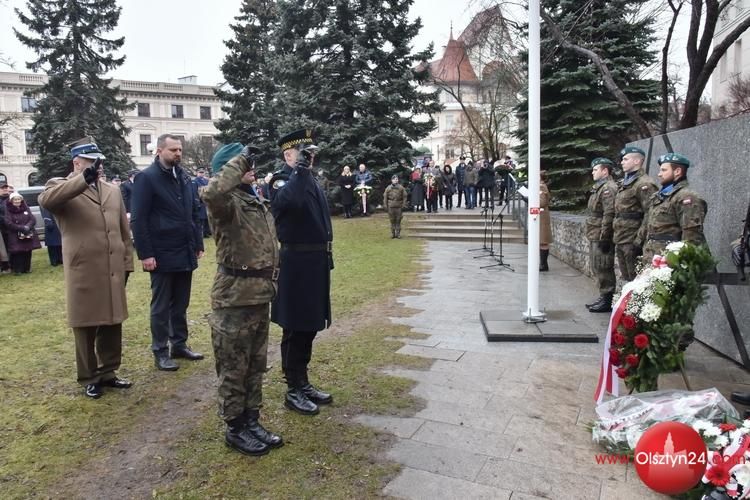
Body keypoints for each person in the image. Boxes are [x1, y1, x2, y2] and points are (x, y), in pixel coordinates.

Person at [201, 142, 283, 456]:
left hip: (259, 295)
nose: (251, 167)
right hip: (234, 298)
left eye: (249, 162)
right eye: (243, 163)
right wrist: (238, 161)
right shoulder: (225, 202)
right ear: (229, 168)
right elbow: (213, 192)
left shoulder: (252, 199)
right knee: (234, 367)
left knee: (255, 365)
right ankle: (235, 427)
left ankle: (252, 419)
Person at [38, 139, 134, 399]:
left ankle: (108, 372)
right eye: (91, 161)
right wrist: (83, 179)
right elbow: (47, 200)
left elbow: (123, 232)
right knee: (85, 325)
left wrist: (127, 263)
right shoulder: (60, 186)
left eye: (98, 161)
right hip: (84, 269)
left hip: (113, 267)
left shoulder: (112, 191)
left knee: (112, 321)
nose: (98, 166)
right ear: (77, 162)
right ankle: (89, 377)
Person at [270, 129, 334, 416]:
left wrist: (305, 172)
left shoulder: (309, 178)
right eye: (304, 153)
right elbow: (288, 203)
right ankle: (293, 387)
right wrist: (299, 172)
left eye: (312, 153)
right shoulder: (281, 179)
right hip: (295, 263)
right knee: (295, 326)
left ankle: (303, 381)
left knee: (309, 324)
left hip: (316, 261)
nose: (310, 157)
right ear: (288, 155)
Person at [130, 133, 205, 371]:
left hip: (184, 250)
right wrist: (145, 254)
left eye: (180, 150)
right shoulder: (147, 178)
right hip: (161, 252)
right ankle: (160, 350)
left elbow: (193, 212)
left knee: (181, 303)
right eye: (173, 150)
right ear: (159, 151)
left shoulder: (183, 176)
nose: (178, 154)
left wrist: (198, 243)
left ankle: (179, 344)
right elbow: (139, 219)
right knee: (161, 306)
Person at [641, 153, 707, 261]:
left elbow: (691, 235)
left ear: (677, 172)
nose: (659, 174)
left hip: (670, 260)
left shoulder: (686, 197)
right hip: (652, 257)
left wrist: (681, 261)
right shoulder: (659, 196)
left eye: (664, 170)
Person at [614, 146, 658, 282]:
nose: (622, 162)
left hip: (633, 239)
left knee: (636, 280)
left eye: (625, 159)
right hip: (621, 237)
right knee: (627, 278)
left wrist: (639, 239)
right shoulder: (626, 182)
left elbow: (650, 213)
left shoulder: (644, 184)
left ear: (637, 161)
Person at [584, 158, 617, 313]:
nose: (593, 172)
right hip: (595, 232)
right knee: (597, 266)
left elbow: (608, 214)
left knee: (603, 266)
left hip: (601, 234)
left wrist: (605, 236)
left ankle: (607, 299)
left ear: (605, 171)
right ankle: (603, 295)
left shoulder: (608, 188)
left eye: (595, 169)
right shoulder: (600, 187)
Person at [4, 192, 41, 274]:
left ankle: (27, 268)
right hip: (15, 234)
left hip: (27, 232)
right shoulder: (8, 210)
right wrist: (21, 228)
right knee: (18, 252)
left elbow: (32, 219)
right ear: (11, 201)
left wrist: (28, 226)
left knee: (28, 251)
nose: (17, 201)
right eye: (15, 200)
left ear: (21, 200)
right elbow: (8, 222)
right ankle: (18, 270)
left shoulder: (26, 208)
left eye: (18, 199)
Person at [539, 170, 553, 271]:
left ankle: (544, 264)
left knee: (543, 240)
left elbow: (542, 202)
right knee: (541, 240)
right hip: (541, 216)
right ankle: (542, 263)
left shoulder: (541, 186)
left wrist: (529, 199)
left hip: (542, 216)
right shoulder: (540, 185)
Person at [193, 168, 210, 238]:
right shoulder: (195, 181)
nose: (201, 174)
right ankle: (201, 233)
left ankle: (207, 232)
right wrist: (197, 202)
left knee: (207, 219)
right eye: (200, 172)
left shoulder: (206, 180)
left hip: (207, 202)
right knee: (201, 219)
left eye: (202, 172)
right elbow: (195, 192)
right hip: (200, 202)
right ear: (197, 173)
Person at [0, 183, 11, 272]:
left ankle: (12, 264)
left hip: (12, 227)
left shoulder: (11, 199)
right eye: (2, 188)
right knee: (3, 249)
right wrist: (6, 220)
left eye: (6, 188)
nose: (5, 190)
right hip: (2, 228)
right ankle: (5, 266)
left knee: (12, 246)